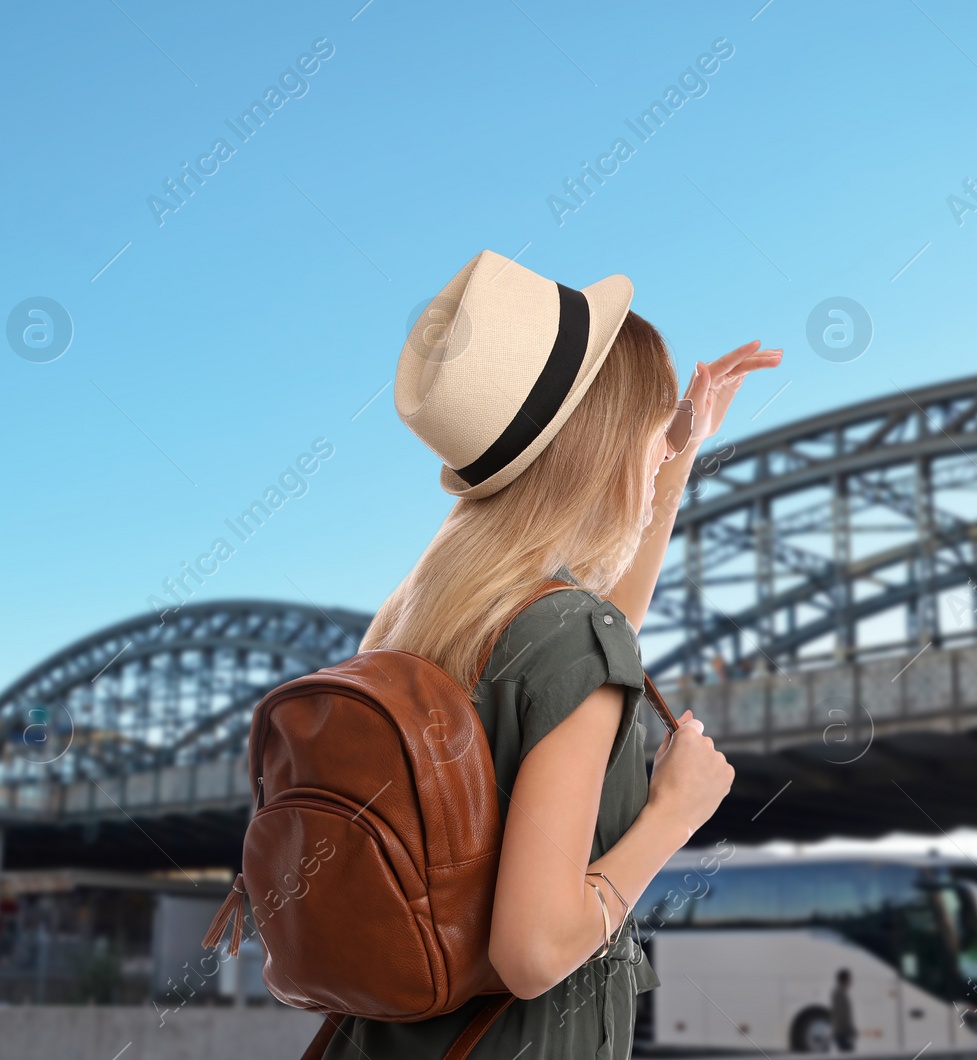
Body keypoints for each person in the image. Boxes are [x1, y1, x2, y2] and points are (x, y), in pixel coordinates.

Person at [322, 250, 781, 1059]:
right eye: (646, 431)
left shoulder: (413, 625)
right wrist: (674, 813)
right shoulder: (566, 636)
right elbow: (532, 953)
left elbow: (603, 645)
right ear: (604, 447)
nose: (656, 449)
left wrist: (675, 455)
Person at [831, 968, 857, 1053]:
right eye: (849, 979)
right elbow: (842, 1014)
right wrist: (851, 1029)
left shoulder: (840, 992)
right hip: (842, 1032)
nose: (851, 982)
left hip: (842, 1031)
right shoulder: (839, 993)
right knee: (848, 1053)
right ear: (845, 979)